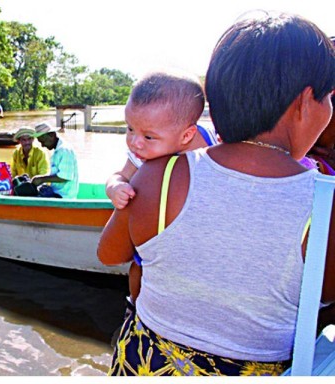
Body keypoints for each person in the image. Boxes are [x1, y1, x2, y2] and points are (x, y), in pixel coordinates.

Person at [98, 12, 334, 376]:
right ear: (305, 103)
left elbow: (110, 252)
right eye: (329, 97)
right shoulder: (325, 204)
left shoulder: (161, 174)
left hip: (143, 364)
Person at [105, 70, 219, 322]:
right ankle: (136, 308)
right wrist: (115, 188)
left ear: (187, 135)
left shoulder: (212, 145)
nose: (135, 142)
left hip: (193, 232)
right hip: (155, 229)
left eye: (147, 136)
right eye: (129, 128)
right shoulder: (143, 151)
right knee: (139, 268)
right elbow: (119, 175)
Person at [31, 122, 79, 198]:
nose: (42, 145)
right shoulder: (58, 150)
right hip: (57, 192)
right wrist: (42, 179)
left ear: (52, 135)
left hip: (64, 196)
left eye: (43, 142)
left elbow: (65, 177)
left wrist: (42, 179)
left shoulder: (64, 150)